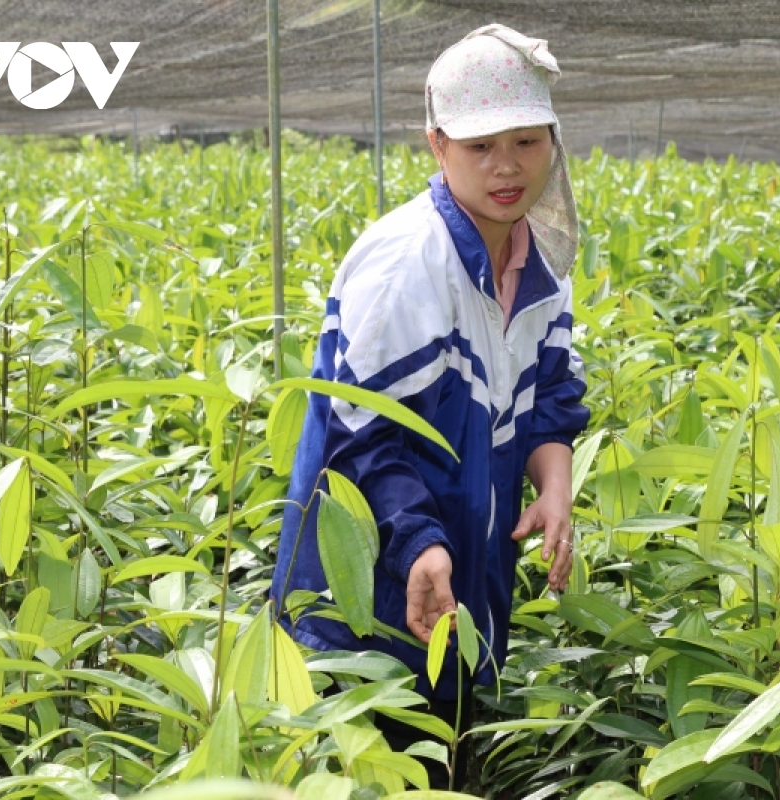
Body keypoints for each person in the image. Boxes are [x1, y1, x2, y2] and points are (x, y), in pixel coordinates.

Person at [270, 23, 589, 789]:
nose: (506, 167)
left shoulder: (535, 258)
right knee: (369, 764)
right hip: (367, 592)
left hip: (463, 578)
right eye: (480, 147)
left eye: (525, 141)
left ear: (552, 140)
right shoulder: (409, 262)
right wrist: (419, 543)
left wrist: (553, 486)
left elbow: (550, 398)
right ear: (436, 146)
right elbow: (364, 438)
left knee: (443, 754)